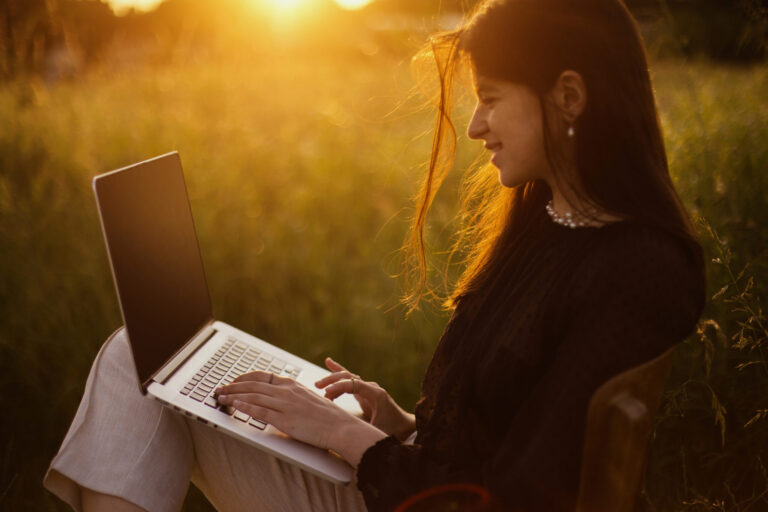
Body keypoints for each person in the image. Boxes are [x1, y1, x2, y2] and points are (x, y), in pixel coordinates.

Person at [43, 0, 706, 511]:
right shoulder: (549, 223)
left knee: (142, 370)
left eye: (491, 99)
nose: (475, 125)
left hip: (406, 497)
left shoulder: (634, 274)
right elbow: (505, 439)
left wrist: (347, 438)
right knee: (145, 357)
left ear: (568, 97)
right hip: (406, 479)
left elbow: (517, 498)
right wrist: (400, 422)